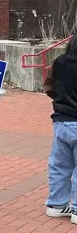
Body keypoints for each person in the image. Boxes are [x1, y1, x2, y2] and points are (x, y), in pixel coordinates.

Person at [43, 36, 77, 222]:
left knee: (60, 166)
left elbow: (49, 87)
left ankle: (56, 204)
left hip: (61, 121)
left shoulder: (59, 62)